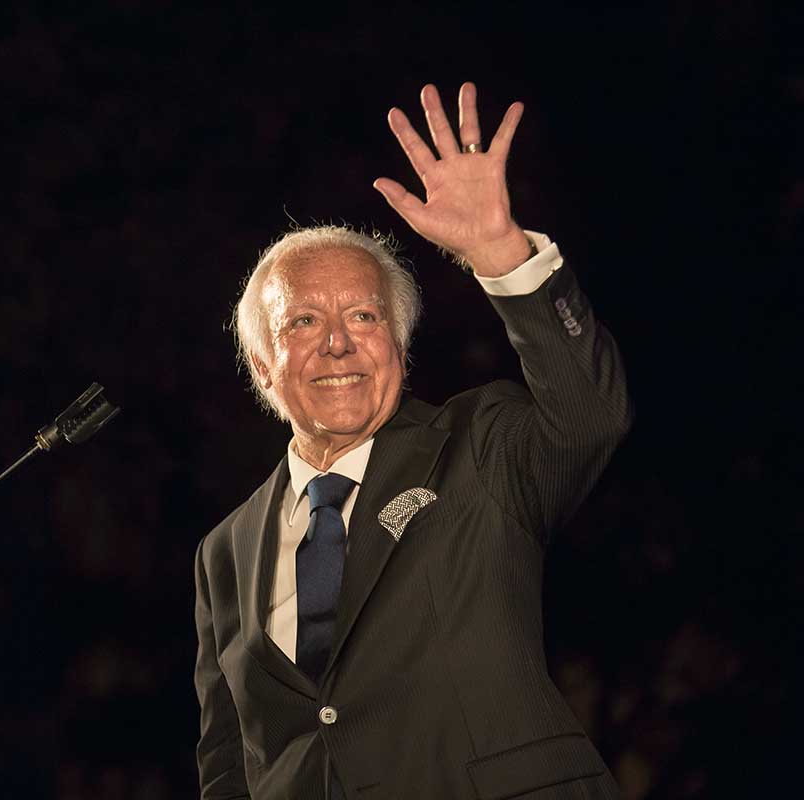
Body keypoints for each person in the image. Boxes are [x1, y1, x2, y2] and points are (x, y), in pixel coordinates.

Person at [193, 83, 632, 799]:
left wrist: (500, 251)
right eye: (303, 322)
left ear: (397, 346)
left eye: (364, 317)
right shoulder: (222, 553)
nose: (337, 343)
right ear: (262, 366)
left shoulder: (480, 448)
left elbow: (590, 416)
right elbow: (228, 766)